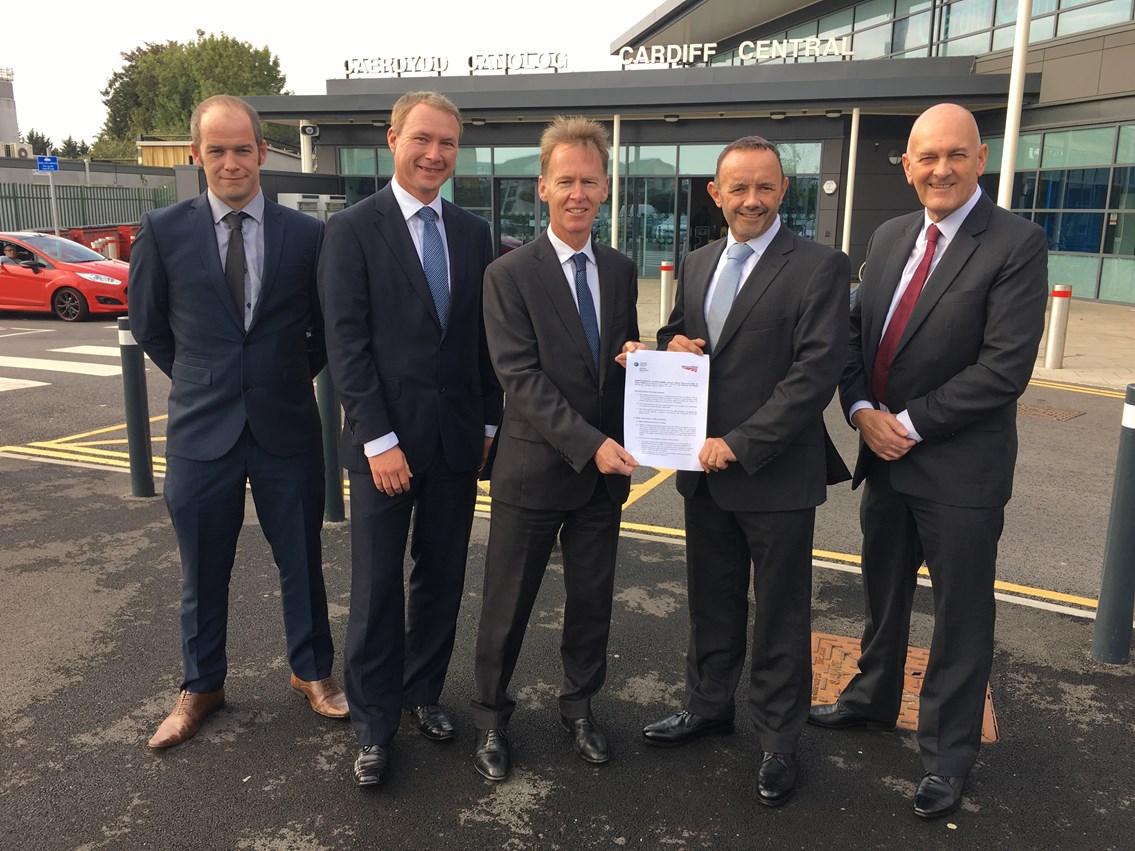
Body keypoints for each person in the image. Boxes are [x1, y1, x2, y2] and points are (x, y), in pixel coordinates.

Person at [808, 103, 1048, 819]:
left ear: (979, 159)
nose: (938, 169)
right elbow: (851, 336)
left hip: (958, 470)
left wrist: (904, 423)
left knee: (960, 614)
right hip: (881, 456)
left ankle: (946, 752)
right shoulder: (886, 236)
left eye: (954, 154)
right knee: (881, 589)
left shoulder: (1015, 242)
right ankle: (871, 697)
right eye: (924, 157)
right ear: (906, 164)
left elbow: (1004, 368)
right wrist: (858, 411)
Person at [131, 94, 346, 750]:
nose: (231, 162)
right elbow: (150, 327)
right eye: (217, 150)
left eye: (242, 148)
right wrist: (206, 379)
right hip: (201, 431)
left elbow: (324, 333)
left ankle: (311, 672)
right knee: (203, 566)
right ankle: (201, 684)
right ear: (196, 155)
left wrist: (277, 376)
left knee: (302, 560)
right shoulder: (163, 231)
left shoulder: (308, 237)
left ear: (262, 152)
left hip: (286, 427)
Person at [642, 135, 851, 808]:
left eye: (764, 187)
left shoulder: (819, 266)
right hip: (702, 475)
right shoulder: (701, 261)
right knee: (710, 599)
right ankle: (708, 706)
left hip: (773, 472)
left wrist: (739, 441)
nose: (751, 199)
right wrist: (666, 343)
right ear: (716, 193)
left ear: (782, 190)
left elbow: (814, 371)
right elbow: (677, 335)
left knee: (781, 614)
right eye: (738, 188)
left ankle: (778, 738)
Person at [317, 91, 503, 787]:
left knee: (440, 578)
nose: (433, 154)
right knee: (374, 587)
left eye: (447, 144)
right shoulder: (352, 229)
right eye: (422, 139)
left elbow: (481, 340)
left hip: (456, 443)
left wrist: (488, 422)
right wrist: (378, 440)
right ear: (393, 138)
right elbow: (347, 345)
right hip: (384, 448)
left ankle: (422, 692)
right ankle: (372, 722)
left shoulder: (472, 231)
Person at [471, 116, 644, 782]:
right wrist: (592, 443)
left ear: (606, 189)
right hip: (535, 469)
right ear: (542, 187)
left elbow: (616, 352)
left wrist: (639, 356)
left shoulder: (621, 269)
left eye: (589, 181)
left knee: (591, 600)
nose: (578, 192)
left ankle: (578, 707)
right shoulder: (508, 274)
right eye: (565, 180)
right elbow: (520, 378)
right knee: (506, 604)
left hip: (602, 479)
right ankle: (489, 716)